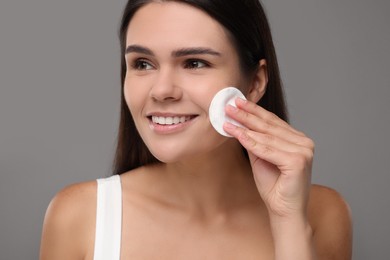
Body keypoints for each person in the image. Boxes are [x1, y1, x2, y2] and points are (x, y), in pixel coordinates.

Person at [40, 0, 352, 259]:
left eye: (194, 63)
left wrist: (289, 225)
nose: (161, 91)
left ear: (255, 82)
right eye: (142, 63)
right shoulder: (80, 216)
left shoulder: (321, 215)